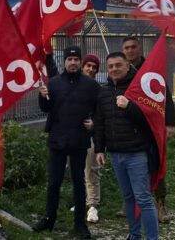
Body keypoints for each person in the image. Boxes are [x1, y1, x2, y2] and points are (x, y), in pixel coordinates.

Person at [33, 46, 99, 239]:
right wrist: (42, 95)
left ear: (80, 62)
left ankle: (80, 224)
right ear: (64, 62)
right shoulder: (54, 83)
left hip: (79, 140)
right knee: (54, 182)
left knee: (79, 182)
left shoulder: (90, 85)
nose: (73, 63)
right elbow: (46, 108)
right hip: (58, 139)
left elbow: (100, 110)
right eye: (69, 59)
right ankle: (49, 218)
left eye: (76, 59)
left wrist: (94, 123)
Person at [94, 52, 159, 240]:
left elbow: (151, 118)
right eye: (110, 66)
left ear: (128, 66)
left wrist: (130, 106)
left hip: (136, 153)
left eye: (118, 65)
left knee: (143, 199)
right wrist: (99, 149)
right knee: (128, 198)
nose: (114, 69)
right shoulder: (104, 92)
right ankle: (134, 235)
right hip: (116, 154)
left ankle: (152, 238)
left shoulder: (138, 88)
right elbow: (100, 123)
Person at [121, 36, 175, 223]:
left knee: (155, 163)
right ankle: (130, 202)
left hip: (152, 125)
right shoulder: (122, 70)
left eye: (133, 47)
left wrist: (170, 123)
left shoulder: (151, 68)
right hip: (131, 127)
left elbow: (165, 96)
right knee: (130, 164)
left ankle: (161, 203)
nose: (130, 51)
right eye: (127, 48)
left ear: (140, 49)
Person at [80, 54, 102, 224]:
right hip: (74, 135)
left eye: (94, 67)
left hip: (92, 135)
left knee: (91, 170)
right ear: (82, 67)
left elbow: (102, 112)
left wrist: (94, 122)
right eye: (88, 65)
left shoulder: (98, 89)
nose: (91, 69)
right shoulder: (74, 85)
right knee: (78, 170)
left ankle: (93, 206)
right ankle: (82, 201)